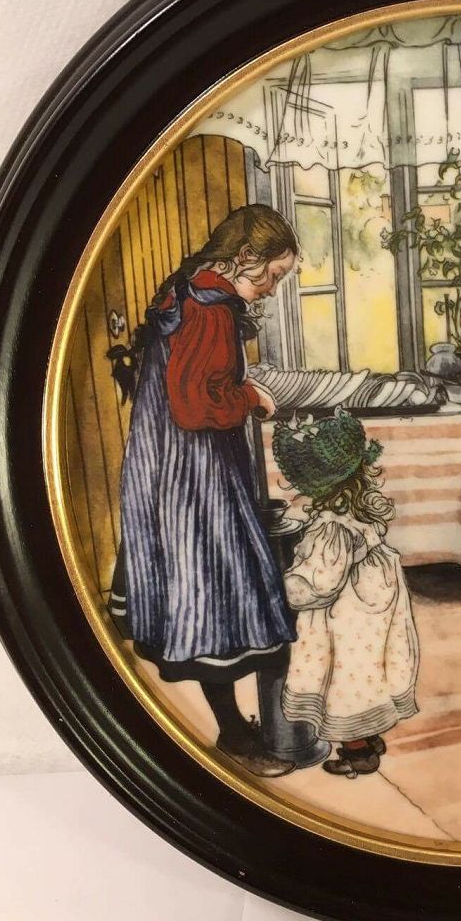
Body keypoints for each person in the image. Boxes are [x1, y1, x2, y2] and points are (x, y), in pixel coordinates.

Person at [109, 203, 302, 777]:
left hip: (165, 472)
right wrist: (250, 398)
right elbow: (196, 407)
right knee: (219, 598)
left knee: (193, 592)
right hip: (198, 479)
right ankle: (236, 737)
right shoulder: (210, 311)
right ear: (245, 257)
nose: (271, 289)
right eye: (272, 276)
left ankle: (236, 730)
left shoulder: (185, 292)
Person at [272, 409, 420, 777]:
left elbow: (319, 584)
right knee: (369, 668)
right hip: (372, 599)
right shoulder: (359, 513)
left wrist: (280, 587)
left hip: (346, 612)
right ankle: (369, 735)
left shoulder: (331, 528)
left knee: (345, 674)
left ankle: (357, 752)